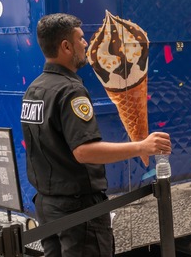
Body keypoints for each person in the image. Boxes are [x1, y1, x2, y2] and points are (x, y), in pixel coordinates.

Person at [21, 13, 172, 256]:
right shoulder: (71, 91)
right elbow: (84, 151)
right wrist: (141, 146)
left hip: (47, 206)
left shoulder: (34, 89)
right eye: (80, 39)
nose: (86, 44)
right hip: (78, 211)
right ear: (66, 46)